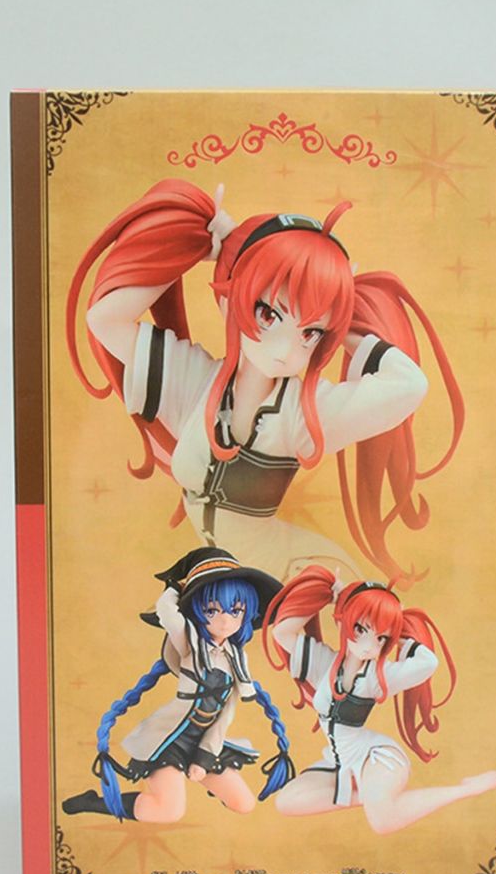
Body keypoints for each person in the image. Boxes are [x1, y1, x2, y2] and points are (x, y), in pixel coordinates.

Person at [66, 179, 464, 586]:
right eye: (269, 314)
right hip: (223, 585)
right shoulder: (194, 381)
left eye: (310, 332)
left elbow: (409, 385)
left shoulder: (305, 414)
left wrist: (341, 314)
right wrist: (195, 248)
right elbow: (104, 319)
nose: (286, 348)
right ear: (228, 300)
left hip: (291, 578)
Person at [262, 565, 496, 834]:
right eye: (361, 629)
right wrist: (333, 598)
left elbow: (428, 663)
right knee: (287, 802)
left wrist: (395, 629)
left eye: (380, 638)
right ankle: (375, 798)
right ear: (342, 620)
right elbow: (282, 632)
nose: (369, 645)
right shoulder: (323, 662)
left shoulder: (378, 677)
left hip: (376, 757)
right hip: (338, 762)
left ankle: (464, 789)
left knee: (382, 823)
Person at [63, 548, 293, 822]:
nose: (224, 621)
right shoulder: (189, 644)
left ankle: (198, 777)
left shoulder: (235, 658)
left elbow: (225, 713)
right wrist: (177, 589)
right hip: (168, 739)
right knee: (168, 811)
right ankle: (97, 802)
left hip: (204, 740)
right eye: (212, 610)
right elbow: (167, 613)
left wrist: (204, 758)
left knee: (243, 803)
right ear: (196, 610)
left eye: (236, 611)